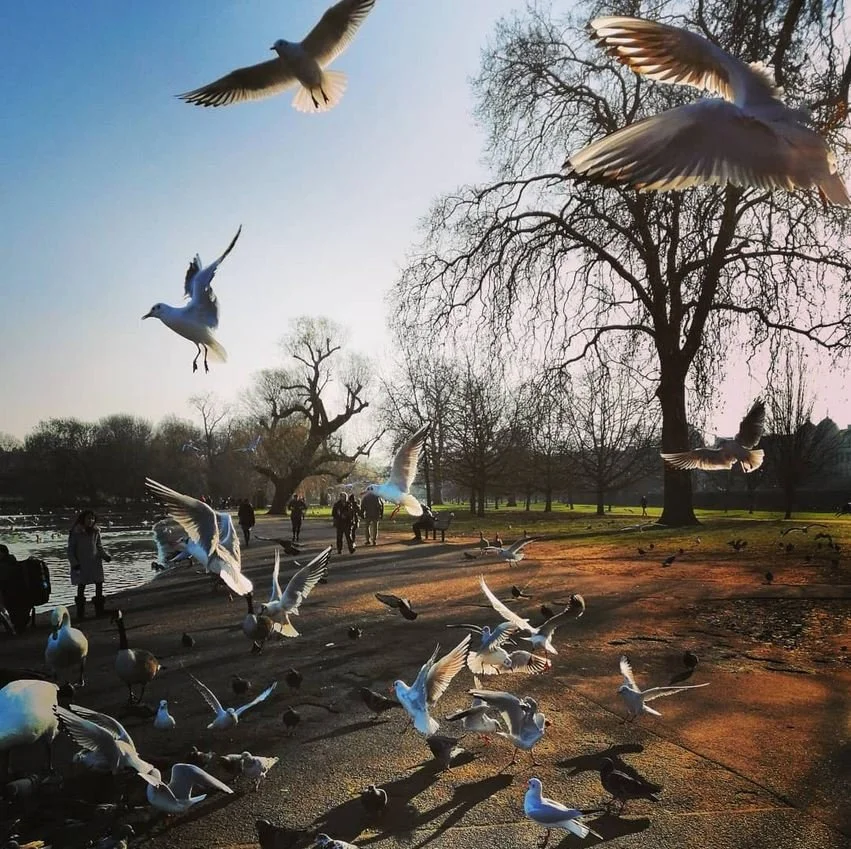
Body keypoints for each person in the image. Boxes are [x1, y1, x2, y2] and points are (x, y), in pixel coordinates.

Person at [68, 510, 112, 620]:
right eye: (88, 518)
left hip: (95, 562)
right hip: (81, 563)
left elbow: (99, 547)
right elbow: (70, 551)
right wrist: (74, 563)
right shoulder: (75, 532)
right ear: (83, 519)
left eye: (92, 519)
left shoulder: (96, 532)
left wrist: (105, 556)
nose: (91, 521)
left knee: (99, 584)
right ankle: (80, 613)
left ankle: (99, 610)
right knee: (81, 586)